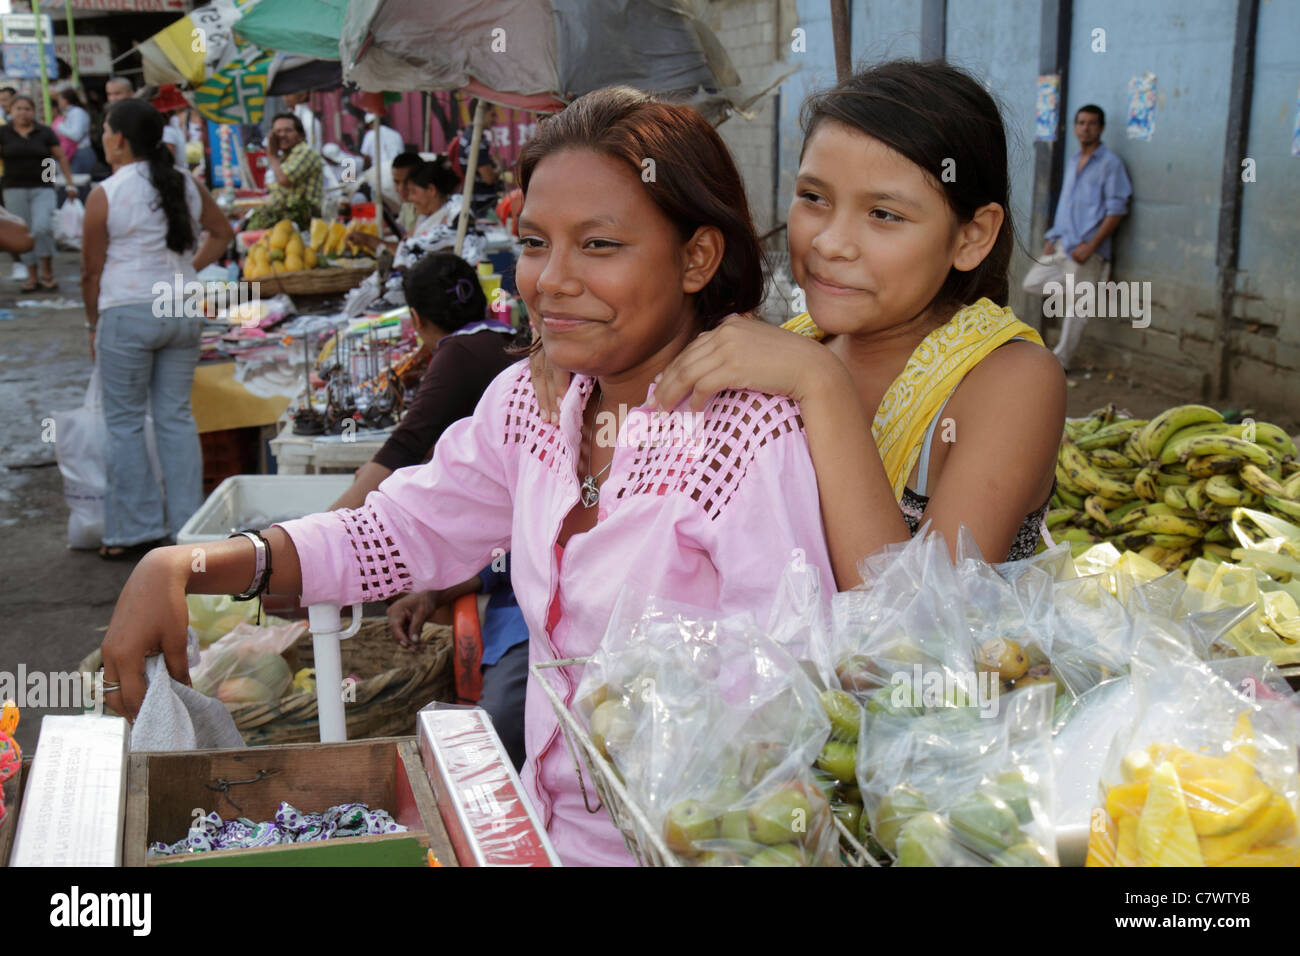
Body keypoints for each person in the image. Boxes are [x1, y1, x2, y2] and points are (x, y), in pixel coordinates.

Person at [100, 86, 837, 866]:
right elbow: (399, 530)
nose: (550, 280)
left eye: (598, 246)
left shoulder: (745, 436)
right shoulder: (536, 399)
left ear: (696, 257)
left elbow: (793, 700)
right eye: (534, 243)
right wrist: (201, 565)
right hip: (544, 832)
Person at [532, 62, 1067, 577]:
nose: (830, 243)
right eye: (813, 198)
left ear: (972, 236)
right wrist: (569, 349)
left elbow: (920, 630)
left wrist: (821, 383)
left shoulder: (1013, 381)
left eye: (884, 214)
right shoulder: (781, 346)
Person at [326, 253, 526, 767]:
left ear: (416, 320)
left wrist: (325, 535)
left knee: (498, 729)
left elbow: (402, 450)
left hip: (521, 595)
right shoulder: (513, 353)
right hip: (505, 572)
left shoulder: (462, 358)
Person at [81, 98, 234, 560]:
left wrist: (93, 325)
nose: (104, 137)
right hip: (182, 308)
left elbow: (91, 272)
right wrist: (187, 269)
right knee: (175, 418)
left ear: (120, 140)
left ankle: (135, 531)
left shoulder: (106, 192)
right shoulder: (184, 183)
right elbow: (222, 232)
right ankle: (188, 527)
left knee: (125, 423)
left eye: (107, 130)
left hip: (127, 312)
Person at [1023, 104, 1133, 369]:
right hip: (1063, 244)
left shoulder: (1110, 164)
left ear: (1101, 128)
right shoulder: (1073, 161)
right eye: (1081, 122)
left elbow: (1117, 210)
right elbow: (1066, 203)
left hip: (1087, 250)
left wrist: (1093, 245)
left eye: (1092, 123)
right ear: (1075, 127)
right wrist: (1053, 236)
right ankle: (1088, 293)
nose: (1086, 127)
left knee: (1077, 310)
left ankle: (1060, 361)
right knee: (1032, 282)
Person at [0, 95, 78, 290]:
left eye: (27, 108)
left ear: (33, 111)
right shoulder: (4, 132)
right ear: (11, 111)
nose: (23, 113)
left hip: (43, 187)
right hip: (13, 187)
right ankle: (32, 276)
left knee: (42, 228)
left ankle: (47, 272)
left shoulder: (44, 132)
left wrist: (68, 183)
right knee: (23, 234)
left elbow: (57, 157)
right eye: (18, 108)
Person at [346, 157, 482, 268]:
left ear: (431, 190)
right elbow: (405, 246)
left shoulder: (454, 214)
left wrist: (370, 240)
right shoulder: (424, 217)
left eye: (413, 192)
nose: (409, 198)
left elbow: (410, 250)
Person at [246, 112, 322, 230]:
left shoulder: (306, 152)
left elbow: (284, 180)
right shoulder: (285, 157)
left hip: (303, 224)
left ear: (301, 135)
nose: (282, 135)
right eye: (278, 131)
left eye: (288, 131)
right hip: (285, 222)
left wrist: (272, 155)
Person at [455, 103, 500, 218]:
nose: (495, 119)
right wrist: (500, 169)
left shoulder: (467, 136)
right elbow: (489, 178)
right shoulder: (476, 141)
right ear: (481, 114)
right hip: (482, 206)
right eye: (492, 115)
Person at [53, 87, 94, 189]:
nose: (59, 103)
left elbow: (76, 135)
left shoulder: (77, 112)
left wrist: (60, 127)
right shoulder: (70, 113)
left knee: (78, 186)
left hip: (81, 152)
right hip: (74, 153)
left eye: (60, 100)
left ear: (66, 100)